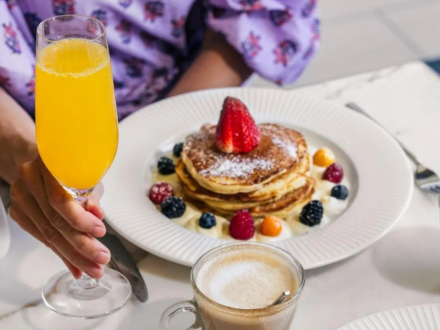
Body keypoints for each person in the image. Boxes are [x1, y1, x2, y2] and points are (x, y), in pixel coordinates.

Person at [0, 0, 319, 279]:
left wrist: (160, 130)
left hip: (188, 103)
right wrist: (23, 150)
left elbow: (262, 12)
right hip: (31, 128)